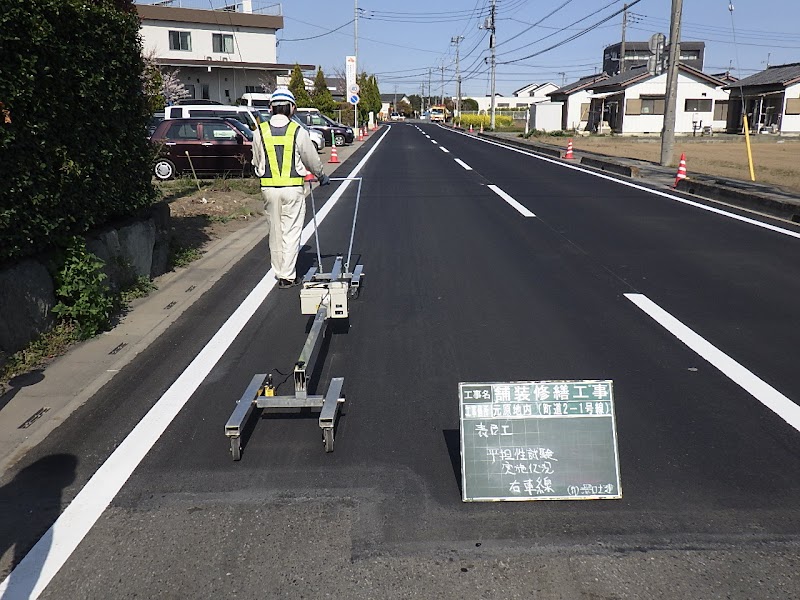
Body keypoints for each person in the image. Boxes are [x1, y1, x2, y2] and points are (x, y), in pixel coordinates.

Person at [252, 88, 330, 288]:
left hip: (268, 189)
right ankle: (288, 274)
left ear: (270, 108)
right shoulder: (298, 131)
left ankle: (279, 271)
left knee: (275, 231)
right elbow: (311, 159)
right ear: (292, 108)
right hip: (293, 188)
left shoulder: (259, 131)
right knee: (291, 231)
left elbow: (256, 160)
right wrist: (321, 175)